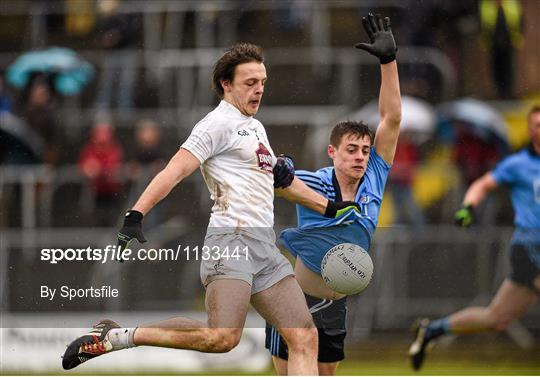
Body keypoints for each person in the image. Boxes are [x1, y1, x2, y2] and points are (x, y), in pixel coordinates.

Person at [63, 42, 361, 375]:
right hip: (231, 242)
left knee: (305, 338)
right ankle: (117, 337)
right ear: (226, 84)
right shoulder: (215, 124)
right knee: (221, 338)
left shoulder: (256, 127)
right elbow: (175, 169)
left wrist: (333, 209)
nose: (259, 89)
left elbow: (283, 182)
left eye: (262, 82)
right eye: (250, 82)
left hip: (263, 246)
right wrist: (136, 214)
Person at [266, 13, 401, 375]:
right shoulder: (316, 181)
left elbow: (391, 119)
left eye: (365, 150)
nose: (360, 156)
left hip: (336, 303)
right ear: (333, 152)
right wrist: (281, 164)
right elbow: (281, 178)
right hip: (296, 299)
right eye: (351, 149)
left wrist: (388, 62)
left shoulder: (374, 177)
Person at [408, 105, 540, 371]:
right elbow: (481, 184)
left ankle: (432, 330)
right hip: (530, 247)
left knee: (497, 318)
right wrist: (467, 207)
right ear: (530, 129)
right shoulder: (518, 164)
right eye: (538, 125)